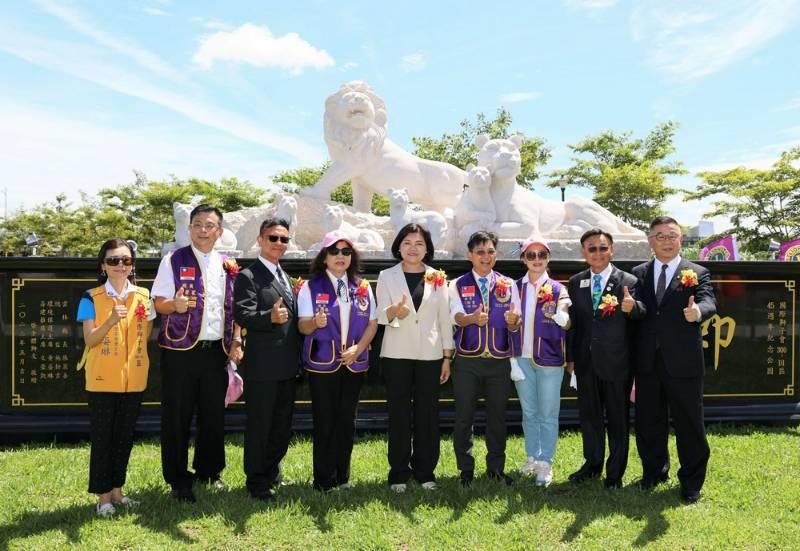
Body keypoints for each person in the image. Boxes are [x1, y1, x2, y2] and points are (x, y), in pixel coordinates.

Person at [152, 204, 242, 503]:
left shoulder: (228, 265)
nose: (204, 230)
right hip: (180, 350)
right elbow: (158, 301)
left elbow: (234, 308)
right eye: (198, 224)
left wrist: (236, 340)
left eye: (210, 225)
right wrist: (172, 306)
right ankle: (178, 480)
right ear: (190, 228)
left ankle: (209, 471)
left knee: (213, 416)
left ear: (219, 231)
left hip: (216, 351)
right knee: (177, 417)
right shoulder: (173, 260)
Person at [632, 216, 717, 504]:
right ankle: (654, 472)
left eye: (672, 235)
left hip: (683, 362)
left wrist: (699, 312)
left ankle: (691, 481)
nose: (667, 241)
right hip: (647, 363)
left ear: (680, 239)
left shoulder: (697, 272)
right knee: (649, 422)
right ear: (650, 240)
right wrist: (631, 307)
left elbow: (709, 301)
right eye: (661, 235)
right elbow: (640, 310)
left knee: (689, 424)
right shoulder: (639, 273)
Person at [76, 238, 155, 517]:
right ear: (103, 265)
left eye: (126, 260)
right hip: (101, 381)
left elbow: (145, 336)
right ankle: (103, 498)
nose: (120, 265)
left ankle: (118, 492)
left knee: (124, 437)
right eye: (113, 260)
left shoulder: (144, 296)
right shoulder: (90, 297)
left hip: (134, 378)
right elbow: (90, 339)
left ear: (132, 265)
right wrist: (110, 320)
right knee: (103, 439)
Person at [376, 223, 454, 493]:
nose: (413, 248)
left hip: (431, 355)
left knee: (427, 414)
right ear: (399, 246)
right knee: (398, 414)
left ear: (427, 249)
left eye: (419, 243)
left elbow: (444, 317)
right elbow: (379, 316)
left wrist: (447, 355)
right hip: (396, 353)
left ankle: (425, 471)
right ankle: (398, 473)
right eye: (408, 242)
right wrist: (393, 312)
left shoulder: (438, 277)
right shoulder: (386, 275)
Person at [298, 230, 378, 492]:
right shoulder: (310, 287)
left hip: (354, 361)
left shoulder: (362, 287)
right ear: (324, 257)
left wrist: (358, 348)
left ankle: (343, 477)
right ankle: (323, 480)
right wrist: (314, 322)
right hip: (322, 363)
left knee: (346, 421)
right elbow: (302, 326)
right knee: (325, 421)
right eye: (334, 251)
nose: (340, 256)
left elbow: (373, 323)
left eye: (346, 252)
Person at [566, 229, 645, 489]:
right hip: (585, 362)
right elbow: (574, 325)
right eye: (592, 248)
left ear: (611, 250)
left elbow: (642, 314)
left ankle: (615, 473)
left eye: (602, 248)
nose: (597, 253)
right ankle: (592, 464)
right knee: (590, 417)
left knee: (617, 419)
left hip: (617, 362)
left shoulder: (629, 281)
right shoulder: (576, 281)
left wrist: (633, 309)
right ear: (583, 252)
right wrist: (571, 359)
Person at [234, 217, 301, 501]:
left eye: (284, 239)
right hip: (262, 366)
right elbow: (242, 314)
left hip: (288, 364)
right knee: (261, 425)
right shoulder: (248, 276)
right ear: (260, 240)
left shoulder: (286, 276)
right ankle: (256, 481)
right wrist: (268, 317)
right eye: (273, 238)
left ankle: (272, 471)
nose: (279, 243)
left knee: (281, 424)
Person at [449, 230, 522, 486]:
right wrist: (471, 319)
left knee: (497, 417)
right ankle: (465, 470)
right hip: (467, 362)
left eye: (490, 251)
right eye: (480, 252)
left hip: (499, 361)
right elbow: (456, 316)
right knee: (464, 417)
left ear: (496, 254)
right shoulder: (457, 284)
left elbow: (515, 323)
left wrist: (514, 323)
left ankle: (496, 469)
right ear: (470, 255)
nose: (486, 256)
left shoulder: (508, 284)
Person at [512, 236, 571, 487]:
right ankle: (532, 456)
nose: (536, 260)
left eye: (541, 255)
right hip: (521, 359)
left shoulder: (559, 289)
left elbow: (566, 319)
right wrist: (511, 359)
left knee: (548, 413)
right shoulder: (513, 287)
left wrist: (562, 317)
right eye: (531, 255)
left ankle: (545, 461)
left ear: (548, 259)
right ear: (523, 259)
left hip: (549, 359)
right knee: (529, 412)